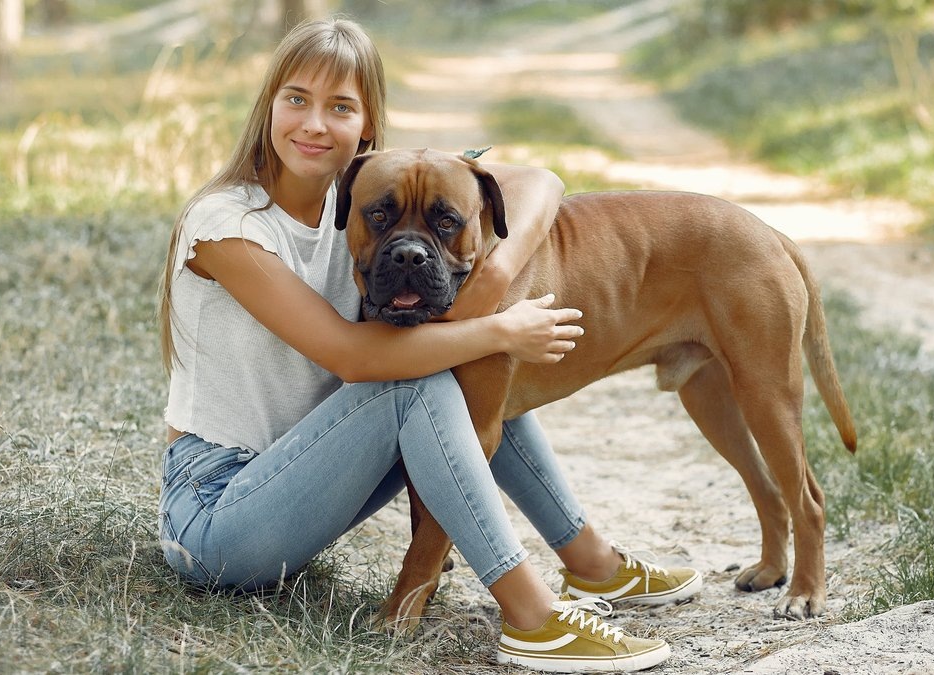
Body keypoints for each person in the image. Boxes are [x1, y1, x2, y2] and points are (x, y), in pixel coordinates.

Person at [155, 17, 701, 673]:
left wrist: (495, 275)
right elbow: (355, 358)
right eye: (296, 98)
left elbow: (541, 182)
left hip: (297, 486)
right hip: (215, 520)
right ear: (268, 105)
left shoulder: (367, 199)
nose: (314, 123)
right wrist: (497, 327)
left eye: (340, 106)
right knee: (422, 369)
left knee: (458, 367)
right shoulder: (227, 224)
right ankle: (531, 616)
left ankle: (591, 564)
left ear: (367, 129)